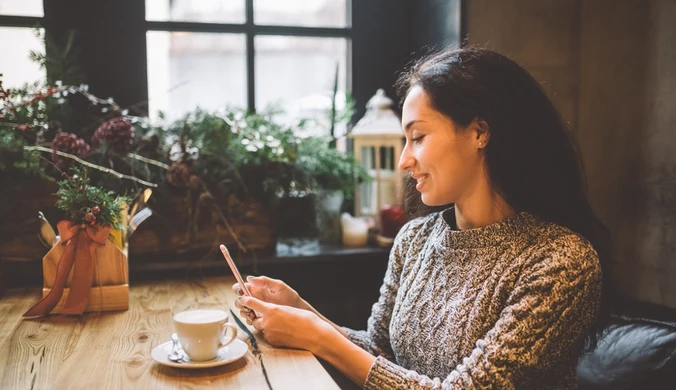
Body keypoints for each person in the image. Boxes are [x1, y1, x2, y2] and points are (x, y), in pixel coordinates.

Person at [233, 46, 613, 389]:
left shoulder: (561, 261)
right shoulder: (415, 239)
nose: (403, 160)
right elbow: (378, 351)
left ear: (479, 132)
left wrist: (319, 336)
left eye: (417, 137)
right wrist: (300, 308)